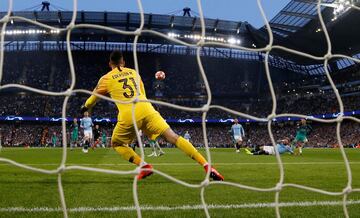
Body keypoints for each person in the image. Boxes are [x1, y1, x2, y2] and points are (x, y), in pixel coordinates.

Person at [80, 51, 223, 181]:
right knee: (173, 137)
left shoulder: (106, 78)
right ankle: (207, 165)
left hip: (129, 115)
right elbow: (143, 93)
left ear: (110, 63)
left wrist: (85, 107)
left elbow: (93, 98)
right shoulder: (134, 72)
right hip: (147, 109)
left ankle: (144, 166)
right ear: (123, 62)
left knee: (116, 143)